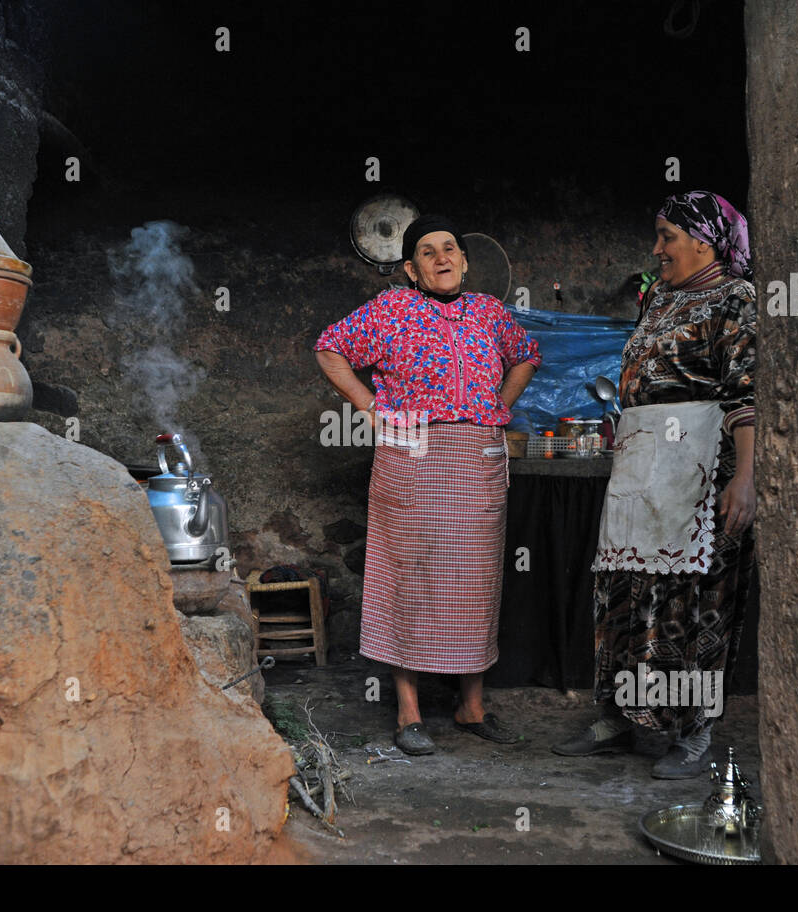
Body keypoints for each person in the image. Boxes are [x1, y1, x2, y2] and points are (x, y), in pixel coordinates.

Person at [314, 215, 541, 755]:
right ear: (413, 270)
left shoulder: (489, 312)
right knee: (409, 575)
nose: (441, 258)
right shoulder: (391, 309)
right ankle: (408, 711)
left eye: (449, 249)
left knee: (474, 579)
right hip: (412, 453)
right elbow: (330, 348)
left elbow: (527, 355)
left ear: (463, 261)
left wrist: (498, 407)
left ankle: (471, 706)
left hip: (477, 458)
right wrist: (372, 407)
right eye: (427, 252)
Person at [554, 190, 756, 778]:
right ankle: (622, 716)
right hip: (643, 465)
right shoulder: (661, 298)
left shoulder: (736, 298)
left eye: (667, 236)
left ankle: (693, 734)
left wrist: (745, 478)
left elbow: (746, 395)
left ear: (704, 240)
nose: (657, 247)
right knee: (623, 593)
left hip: (700, 466)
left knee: (695, 605)